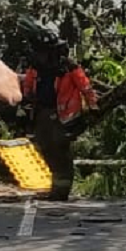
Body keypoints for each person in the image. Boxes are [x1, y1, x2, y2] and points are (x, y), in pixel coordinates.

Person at [22, 37, 97, 201]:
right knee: (44, 146)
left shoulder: (68, 68)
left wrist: (93, 107)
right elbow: (28, 85)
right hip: (42, 112)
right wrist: (27, 99)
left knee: (59, 149)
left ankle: (62, 190)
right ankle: (56, 186)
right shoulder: (36, 67)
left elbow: (85, 87)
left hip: (64, 116)